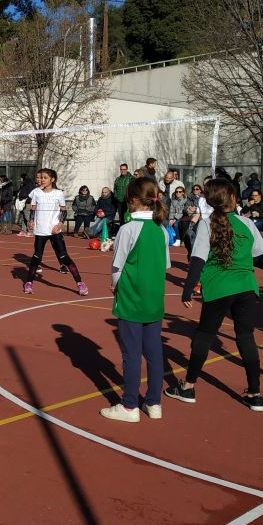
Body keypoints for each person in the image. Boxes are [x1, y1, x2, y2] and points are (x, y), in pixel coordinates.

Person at [165, 178, 263, 412]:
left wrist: (188, 288)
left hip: (219, 287)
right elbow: (261, 257)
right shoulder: (246, 224)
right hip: (246, 287)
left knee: (204, 336)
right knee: (246, 337)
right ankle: (255, 394)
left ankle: (188, 387)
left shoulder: (207, 224)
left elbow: (198, 258)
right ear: (232, 198)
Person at [101, 176, 171, 422]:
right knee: (154, 352)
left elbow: (117, 265)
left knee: (131, 352)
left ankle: (129, 405)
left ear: (132, 200)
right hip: (154, 297)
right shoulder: (161, 229)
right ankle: (154, 403)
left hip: (132, 296)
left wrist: (114, 286)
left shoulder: (128, 228)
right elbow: (166, 265)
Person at [23, 169, 88, 296]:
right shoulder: (36, 192)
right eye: (40, 178)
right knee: (37, 257)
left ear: (52, 179)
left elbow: (64, 210)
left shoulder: (58, 193)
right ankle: (29, 282)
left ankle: (80, 283)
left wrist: (59, 224)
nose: (41, 180)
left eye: (45, 178)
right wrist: (31, 221)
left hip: (54, 230)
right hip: (40, 231)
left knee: (64, 256)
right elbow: (33, 208)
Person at [112, 164, 131, 230]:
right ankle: (122, 232)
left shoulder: (131, 178)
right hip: (119, 202)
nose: (122, 171)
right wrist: (116, 196)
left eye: (124, 169)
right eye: (121, 169)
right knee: (121, 218)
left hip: (127, 202)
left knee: (128, 218)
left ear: (127, 169)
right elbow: (115, 189)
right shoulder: (118, 179)